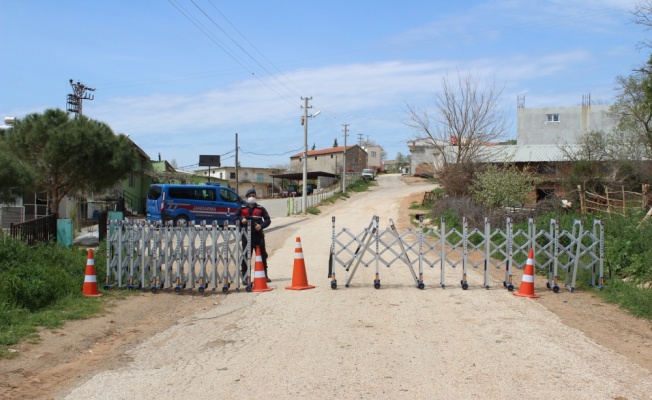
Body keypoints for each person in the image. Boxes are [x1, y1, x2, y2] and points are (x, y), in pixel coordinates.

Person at [236, 188, 272, 282]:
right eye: (249, 196)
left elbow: (268, 220)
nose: (251, 197)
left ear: (256, 196)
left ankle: (264, 276)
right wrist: (241, 219)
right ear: (247, 197)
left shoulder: (261, 209)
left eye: (253, 195)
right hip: (246, 235)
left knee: (262, 256)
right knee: (246, 256)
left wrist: (261, 226)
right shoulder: (242, 208)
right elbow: (234, 217)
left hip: (258, 236)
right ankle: (245, 277)